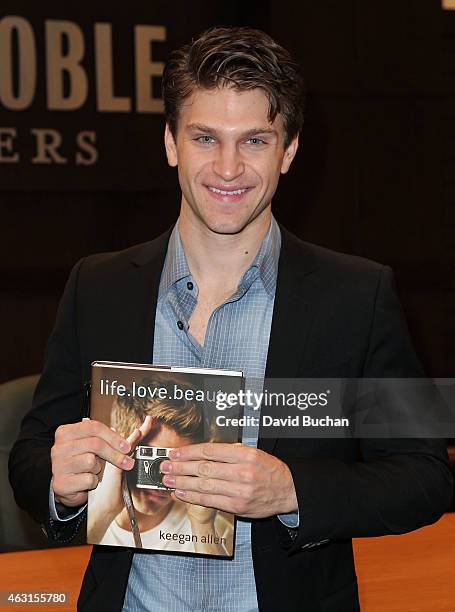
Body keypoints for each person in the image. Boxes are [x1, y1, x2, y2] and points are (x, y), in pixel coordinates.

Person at [9, 26, 453, 612]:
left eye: (254, 142)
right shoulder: (100, 285)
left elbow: (425, 476)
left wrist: (291, 491)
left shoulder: (357, 296)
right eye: (204, 138)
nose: (227, 168)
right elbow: (31, 453)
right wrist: (59, 485)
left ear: (288, 151)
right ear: (171, 143)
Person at [88, 379, 232, 555]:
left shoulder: (214, 531)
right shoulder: (82, 507)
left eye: (179, 463)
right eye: (151, 456)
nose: (164, 478)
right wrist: (105, 510)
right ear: (116, 446)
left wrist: (202, 526)